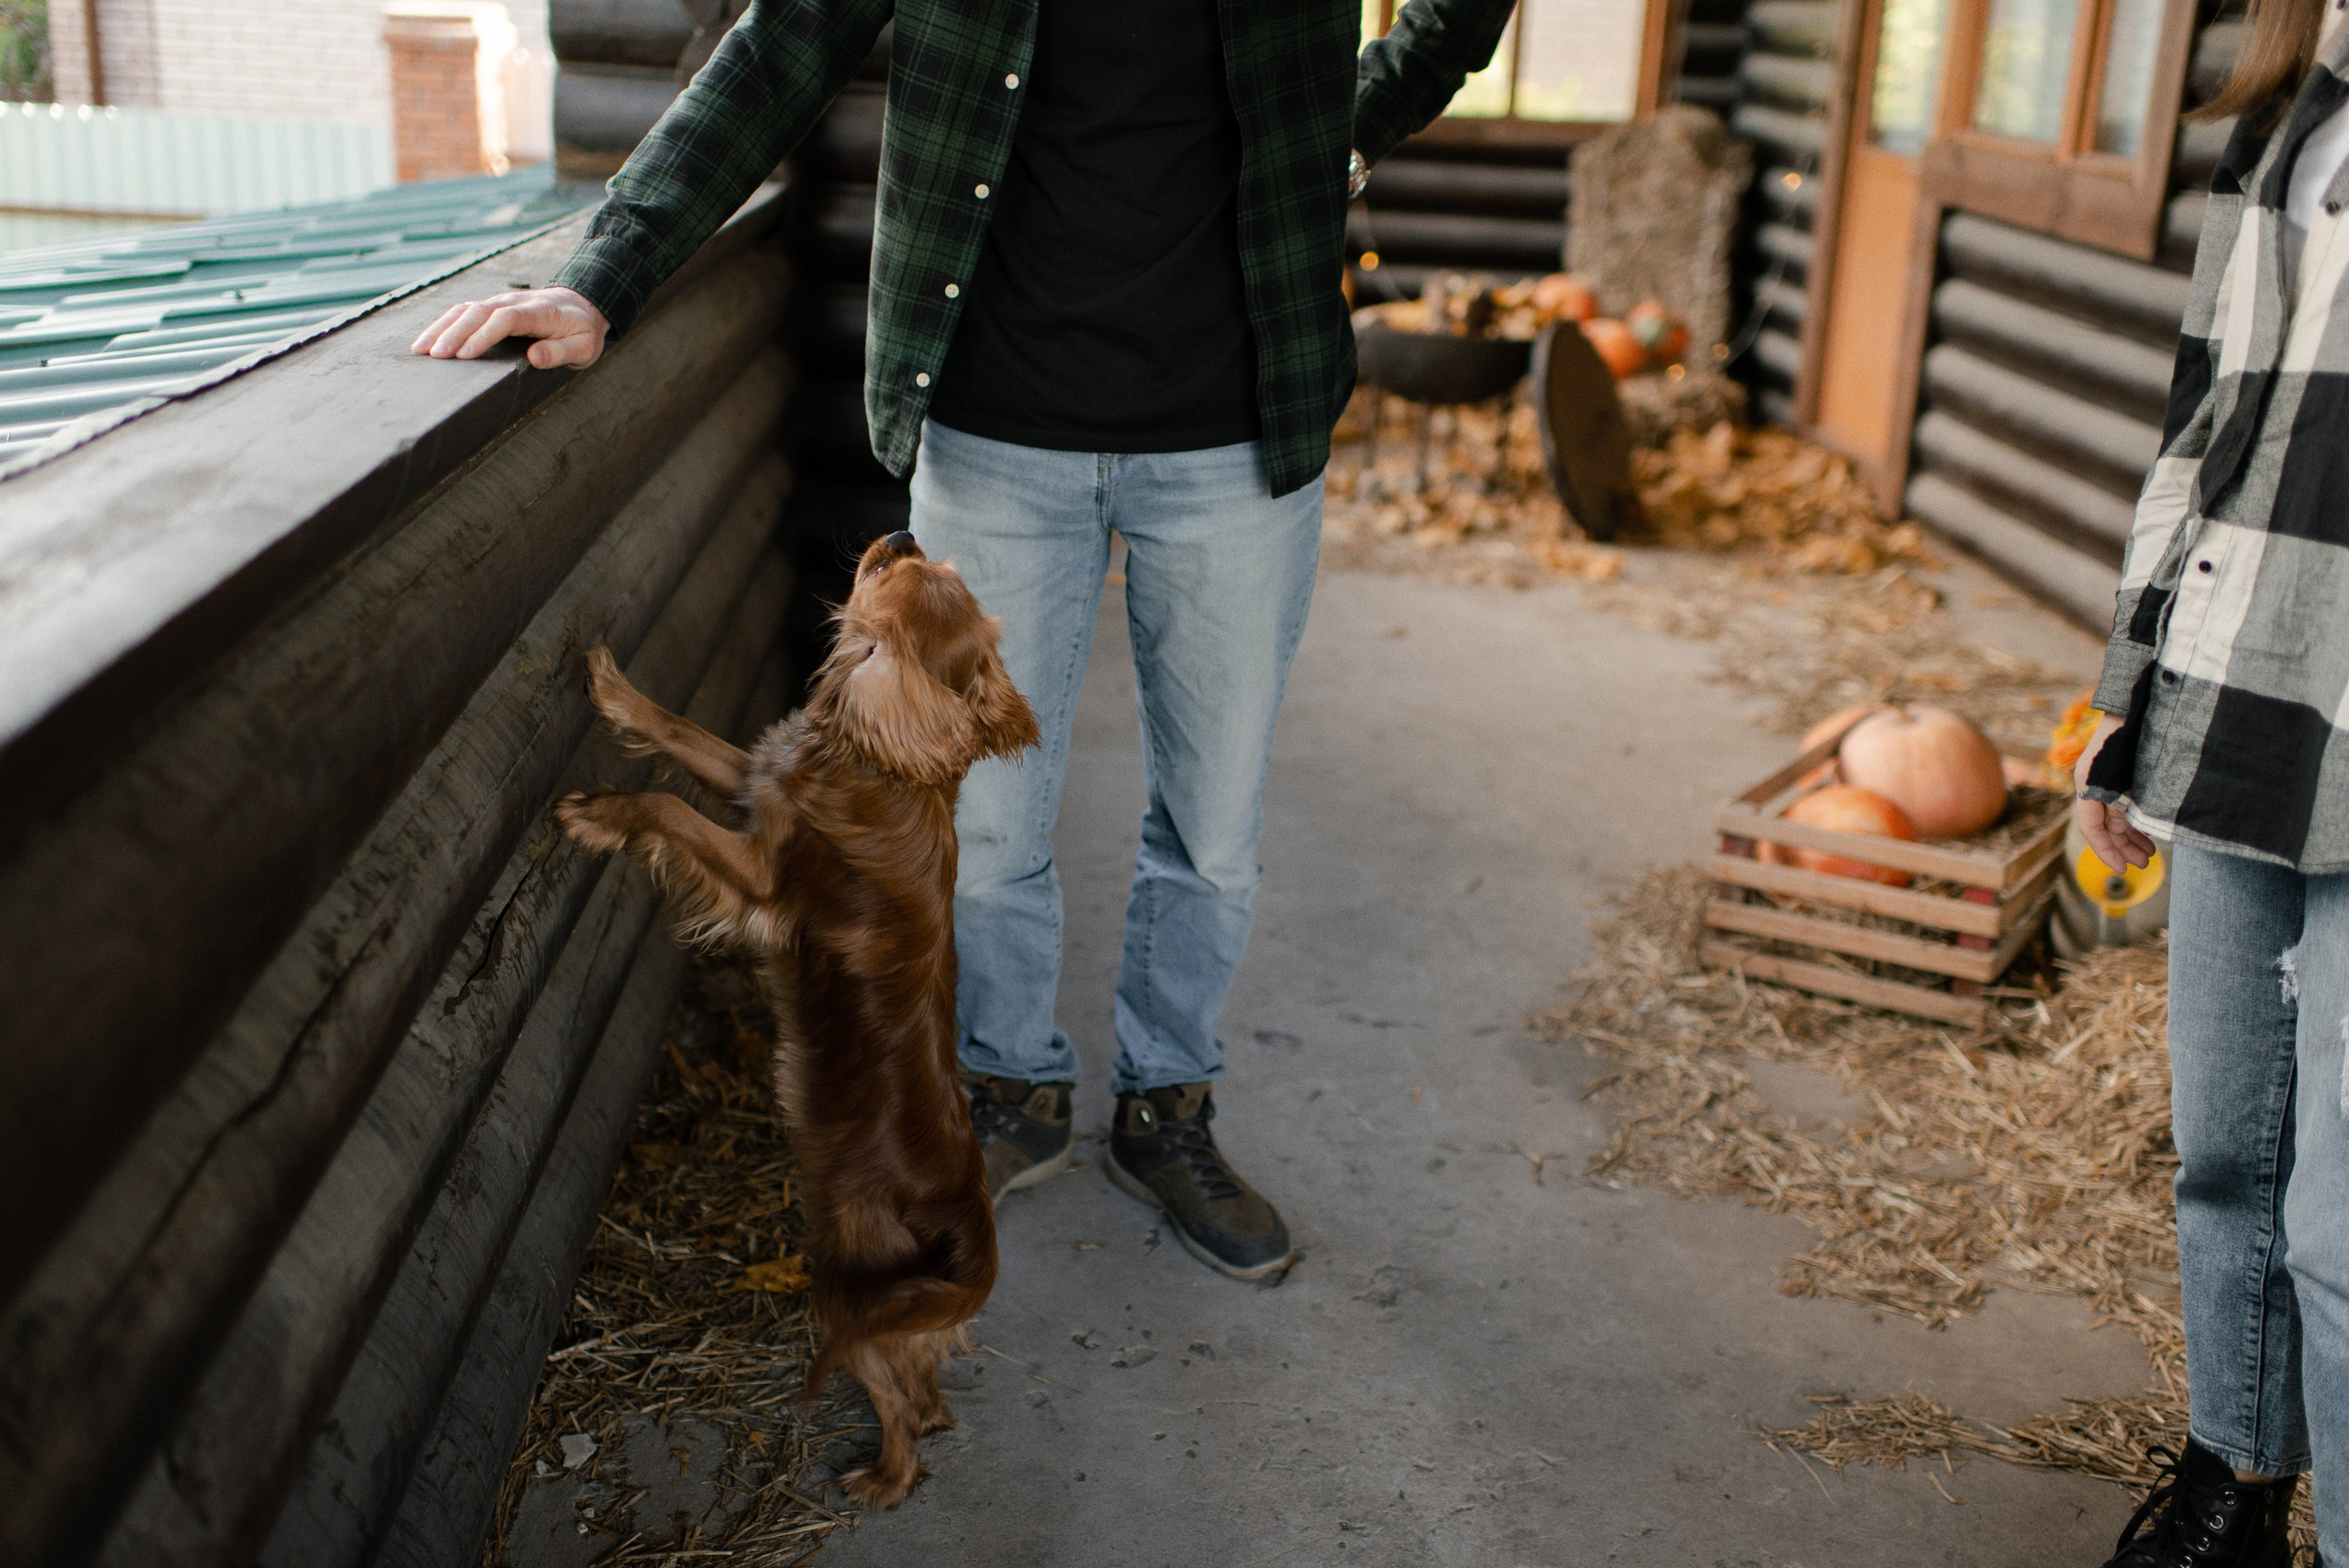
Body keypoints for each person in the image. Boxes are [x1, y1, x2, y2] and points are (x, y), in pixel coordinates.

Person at [411, 0, 1516, 1282]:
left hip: (1235, 437)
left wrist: (1338, 121)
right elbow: (781, 47)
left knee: (1213, 832)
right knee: (982, 830)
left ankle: (1169, 1109)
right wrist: (606, 272)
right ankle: (1012, 1082)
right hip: (997, 437)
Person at [2074, 0, 2349, 1558]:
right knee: (2231, 1143)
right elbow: (2201, 432)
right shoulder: (2282, 117)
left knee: (2345, 1226)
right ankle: (2235, 1481)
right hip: (2242, 697)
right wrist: (2131, 704)